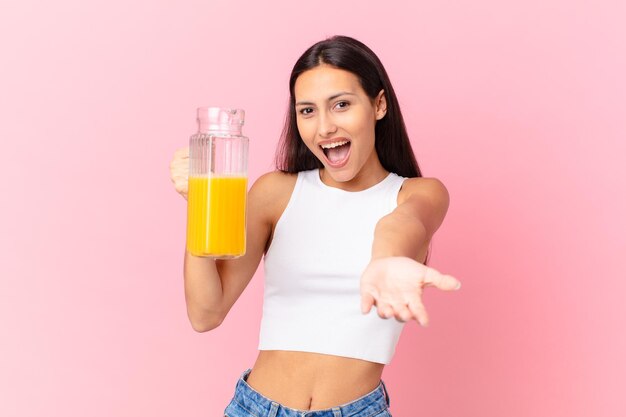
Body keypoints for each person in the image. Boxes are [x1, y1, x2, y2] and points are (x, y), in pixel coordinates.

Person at [169, 35, 461, 417]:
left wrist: (386, 260)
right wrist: (199, 208)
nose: (324, 127)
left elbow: (402, 224)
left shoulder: (419, 194)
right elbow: (205, 314)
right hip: (256, 408)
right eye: (307, 111)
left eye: (340, 105)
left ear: (378, 104)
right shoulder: (276, 192)